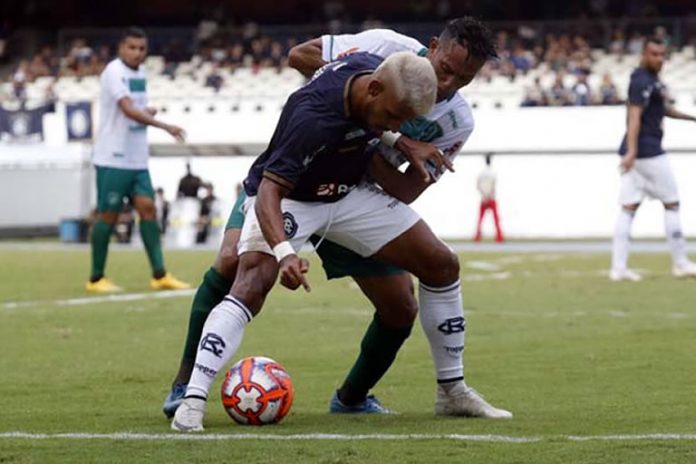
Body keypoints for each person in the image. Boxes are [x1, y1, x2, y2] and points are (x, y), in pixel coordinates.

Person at [164, 18, 510, 422]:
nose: (449, 84)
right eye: (447, 70)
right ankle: (187, 391)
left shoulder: (456, 122)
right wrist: (367, 126)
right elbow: (301, 59)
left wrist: (378, 139)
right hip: (294, 179)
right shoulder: (377, 51)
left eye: (463, 80)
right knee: (234, 264)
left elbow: (404, 192)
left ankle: (382, 395)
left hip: (355, 194)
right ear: (432, 47)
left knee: (410, 297)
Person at [86, 27, 190, 293]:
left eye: (142, 48)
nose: (137, 53)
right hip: (113, 157)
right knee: (108, 215)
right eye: (132, 47)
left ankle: (160, 274)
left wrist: (147, 111)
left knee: (148, 210)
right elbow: (128, 110)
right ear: (121, 48)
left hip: (136, 158)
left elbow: (136, 108)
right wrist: (164, 125)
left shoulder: (141, 73)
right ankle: (96, 278)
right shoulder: (113, 72)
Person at [610, 37, 696, 281]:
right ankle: (680, 263)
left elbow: (663, 111)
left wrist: (692, 118)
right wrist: (633, 151)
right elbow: (634, 116)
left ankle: (618, 268)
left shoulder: (653, 82)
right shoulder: (639, 80)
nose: (659, 59)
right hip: (647, 152)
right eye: (654, 54)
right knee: (672, 203)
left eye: (662, 55)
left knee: (628, 208)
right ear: (644, 55)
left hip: (638, 152)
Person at [474, 153, 504, 242]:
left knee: (480, 219)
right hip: (491, 198)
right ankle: (499, 238)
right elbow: (493, 186)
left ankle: (477, 238)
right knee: (495, 219)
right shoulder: (492, 173)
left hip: (484, 198)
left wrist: (484, 195)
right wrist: (489, 195)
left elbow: (478, 186)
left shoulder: (481, 173)